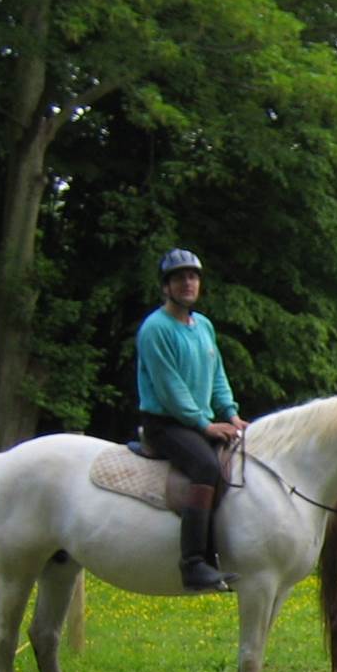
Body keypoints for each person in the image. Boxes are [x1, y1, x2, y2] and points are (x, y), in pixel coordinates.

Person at [136, 248, 248, 592]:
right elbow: (171, 389)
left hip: (198, 421)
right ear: (166, 287)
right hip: (166, 424)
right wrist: (205, 425)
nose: (188, 282)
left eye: (193, 276)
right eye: (180, 277)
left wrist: (230, 413)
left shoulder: (204, 327)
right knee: (206, 467)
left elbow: (217, 377)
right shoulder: (155, 329)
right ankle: (194, 563)